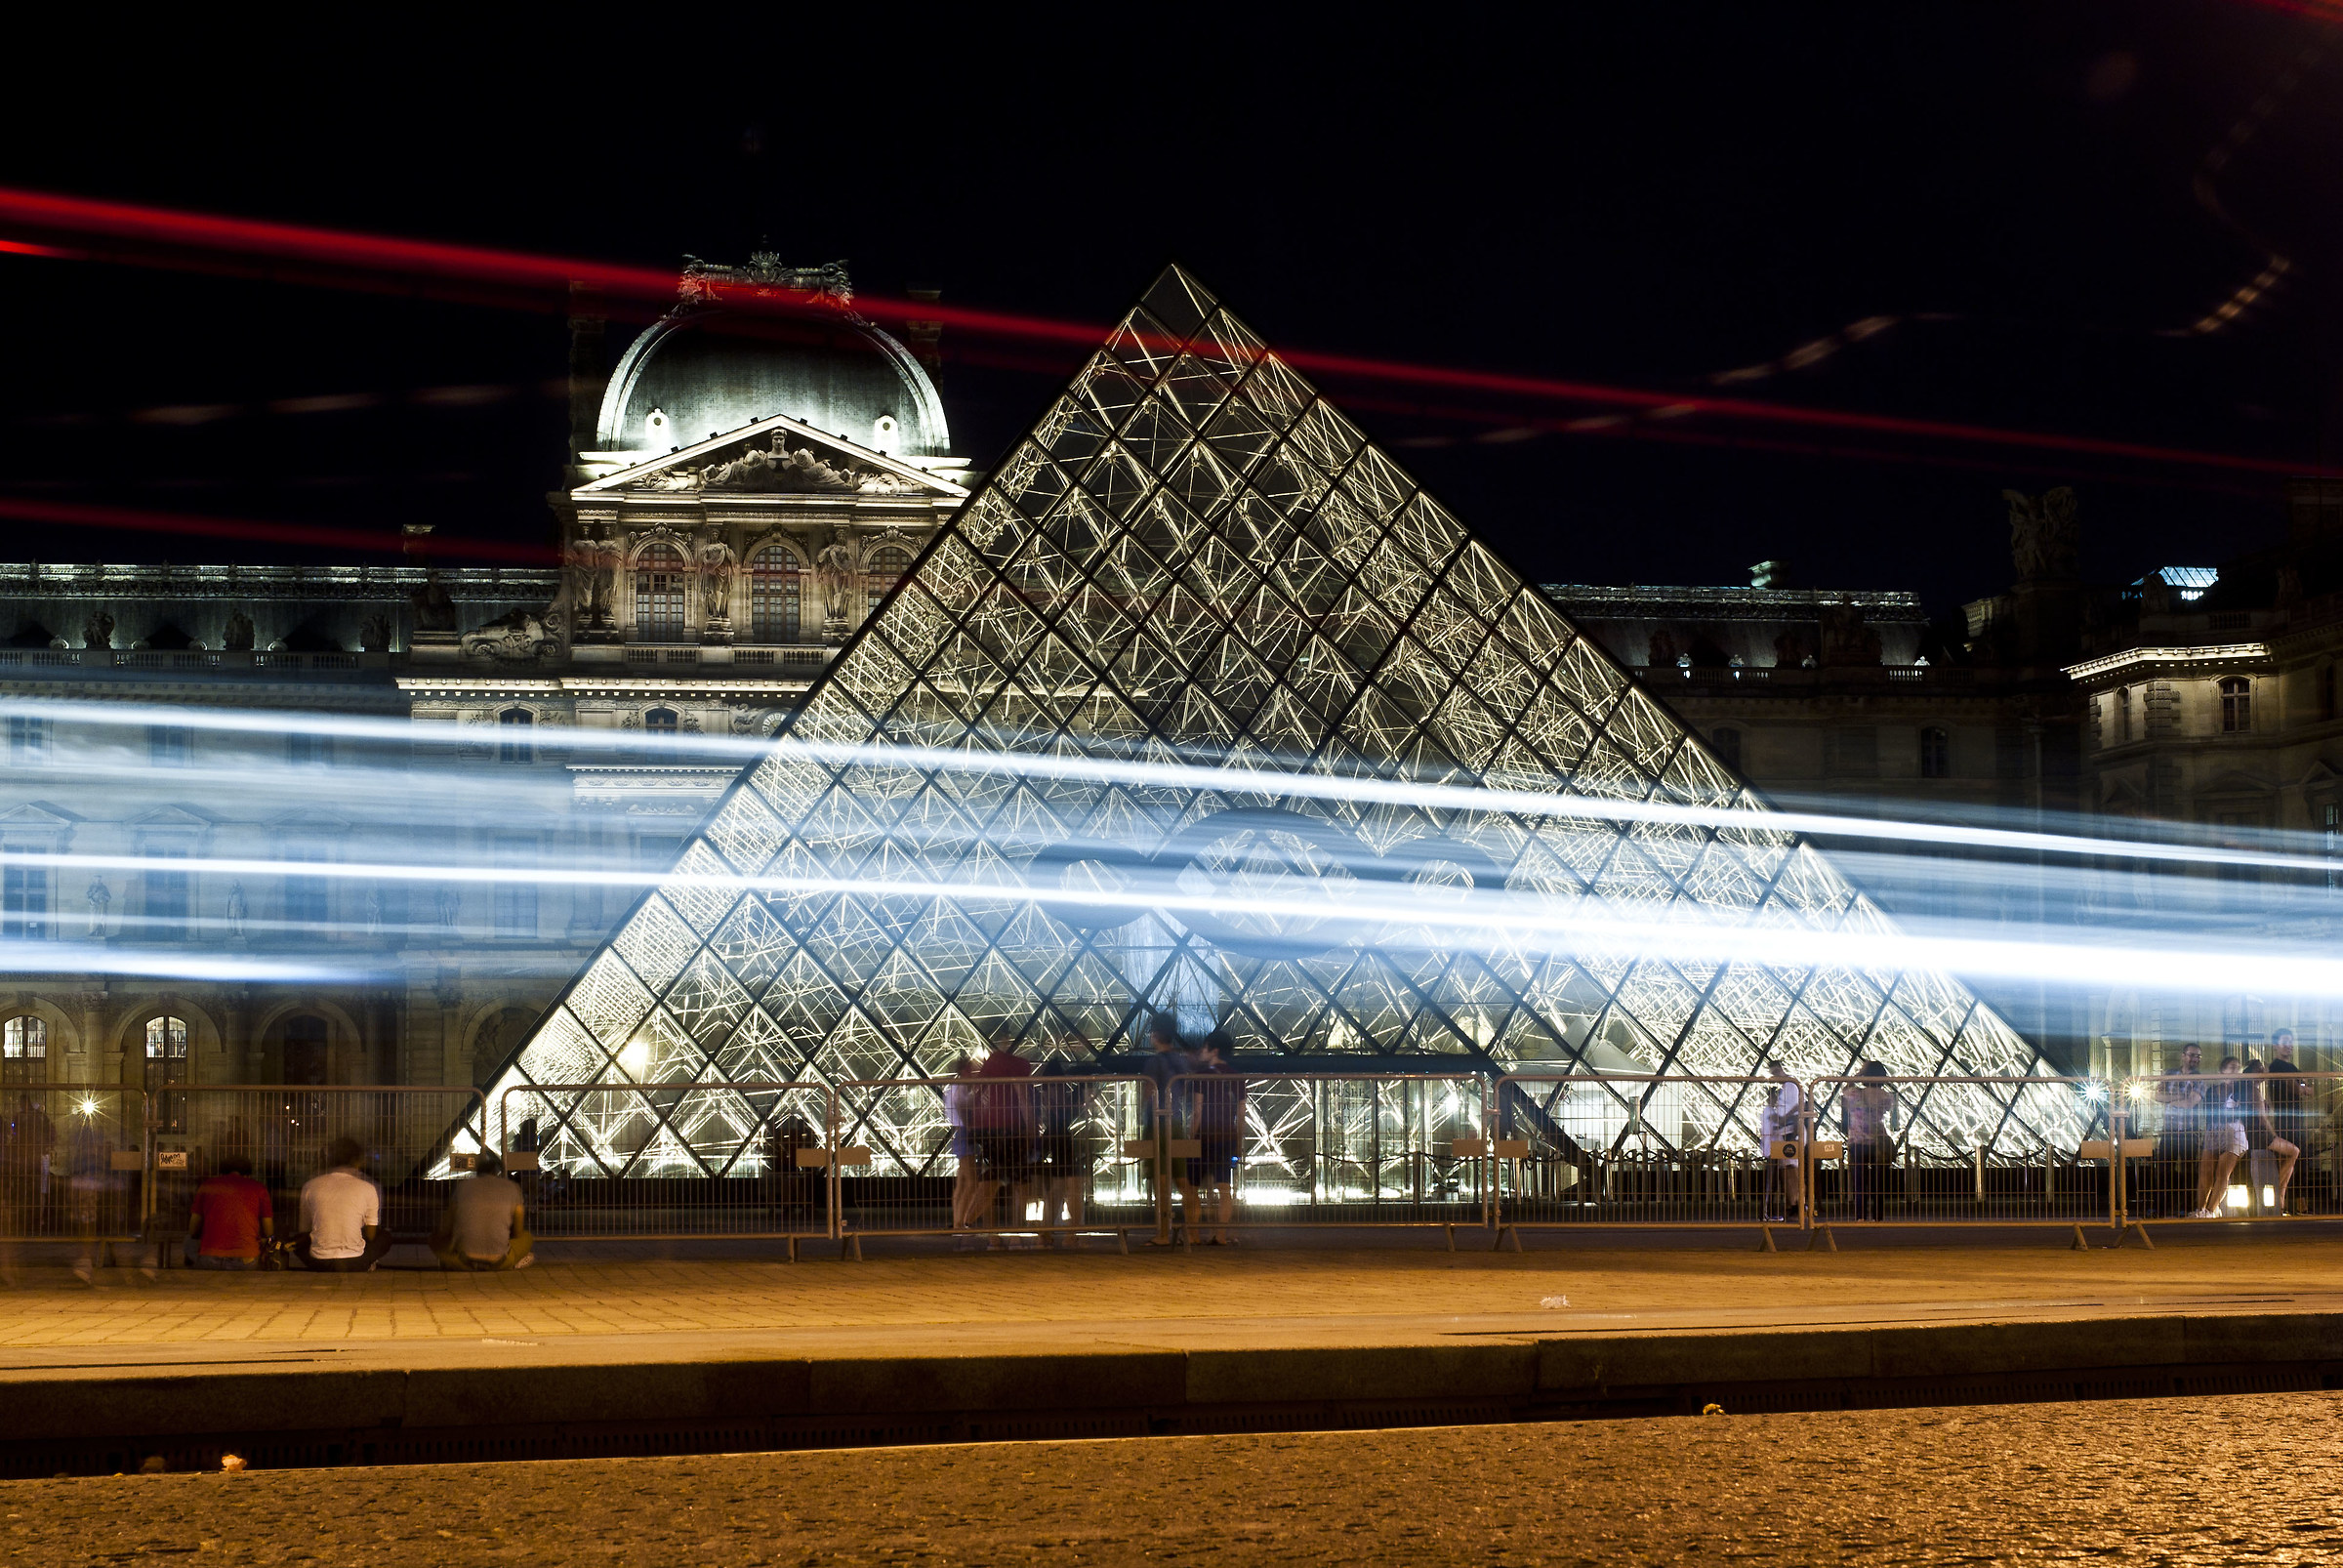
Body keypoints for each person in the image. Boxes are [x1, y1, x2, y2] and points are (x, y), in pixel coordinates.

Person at [971, 1036, 1036, 1246]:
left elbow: (975, 1096)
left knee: (990, 1183)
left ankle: (992, 1236)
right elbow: (1023, 1097)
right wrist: (1032, 1128)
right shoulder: (1019, 1065)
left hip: (990, 1131)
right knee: (1019, 1185)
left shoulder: (991, 1063)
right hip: (1014, 1131)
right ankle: (1016, 1234)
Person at [294, 1136, 390, 1272]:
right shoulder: (368, 1187)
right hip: (355, 1261)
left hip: (319, 1261)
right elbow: (371, 1235)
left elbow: (304, 1229)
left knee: (298, 1241)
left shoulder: (310, 1185)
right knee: (385, 1237)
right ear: (356, 1160)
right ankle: (367, 1263)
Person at [1137, 1015, 1193, 1246]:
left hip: (1157, 1124)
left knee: (1161, 1181)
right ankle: (1192, 1233)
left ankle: (1162, 1233)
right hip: (1177, 1122)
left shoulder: (1154, 1062)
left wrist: (1141, 1115)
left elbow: (1148, 1090)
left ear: (1155, 1035)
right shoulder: (1182, 1061)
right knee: (1183, 1179)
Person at [431, 1151, 533, 1270]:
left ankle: (448, 1260)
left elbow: (445, 1228)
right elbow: (518, 1231)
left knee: (433, 1239)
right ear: (498, 1173)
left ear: (478, 1172)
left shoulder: (463, 1186)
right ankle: (514, 1262)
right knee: (527, 1237)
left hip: (464, 1262)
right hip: (499, 1262)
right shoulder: (512, 1187)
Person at [1190, 1032, 1247, 1246]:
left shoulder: (1202, 1076)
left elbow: (1197, 1110)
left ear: (1214, 1051)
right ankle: (1220, 1235)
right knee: (1224, 1187)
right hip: (1227, 1136)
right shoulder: (1236, 1076)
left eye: (1204, 1048)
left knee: (1192, 1186)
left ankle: (1194, 1234)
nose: (1201, 1052)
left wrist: (1191, 1137)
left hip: (1204, 1136)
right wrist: (1238, 1142)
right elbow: (1241, 1113)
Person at [1031, 1061, 1094, 1250]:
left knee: (1057, 1189)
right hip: (1062, 1138)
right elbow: (1070, 1108)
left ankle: (1046, 1234)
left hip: (1054, 1137)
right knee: (1073, 1186)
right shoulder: (1058, 1094)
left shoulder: (1045, 1093)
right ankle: (1070, 1233)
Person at [185, 1153, 273, 1270]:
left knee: (188, 1240)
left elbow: (193, 1229)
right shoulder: (259, 1188)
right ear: (247, 1174)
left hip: (210, 1256)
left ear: (221, 1172)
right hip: (246, 1258)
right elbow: (268, 1231)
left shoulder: (207, 1186)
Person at [2259, 1030, 2312, 1215]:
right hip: (2285, 1121)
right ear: (2275, 1045)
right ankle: (2281, 1203)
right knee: (2287, 1161)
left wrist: (2302, 1086)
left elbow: (2303, 1085)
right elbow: (2299, 1088)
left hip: (2296, 1119)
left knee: (2301, 1161)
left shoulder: (2292, 1067)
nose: (2289, 1045)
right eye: (2285, 1042)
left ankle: (2296, 1203)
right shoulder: (2276, 1066)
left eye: (2291, 1042)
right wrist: (2302, 1087)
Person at [2154, 1044, 2206, 1219]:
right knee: (2163, 1171)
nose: (2195, 1059)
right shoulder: (2169, 1073)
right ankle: (2162, 1208)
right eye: (2192, 1055)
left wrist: (2170, 1100)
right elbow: (2157, 1096)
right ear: (2183, 1055)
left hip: (2189, 1131)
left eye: (2198, 1056)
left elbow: (2190, 1103)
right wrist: (2180, 1097)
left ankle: (2186, 1207)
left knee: (2189, 1172)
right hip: (2169, 1130)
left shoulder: (2201, 1079)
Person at [2194, 1056, 2249, 1219]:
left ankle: (2211, 1210)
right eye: (2232, 1068)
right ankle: (2201, 1209)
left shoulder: (2241, 1090)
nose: (2236, 1072)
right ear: (2222, 1071)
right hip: (2214, 1131)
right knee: (2205, 1171)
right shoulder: (2213, 1090)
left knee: (2222, 1172)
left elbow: (2238, 1113)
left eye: (2238, 1068)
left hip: (2234, 1132)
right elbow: (2210, 1113)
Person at [1840, 1060, 1896, 1222]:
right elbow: (1887, 1109)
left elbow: (1845, 1090)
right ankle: (1878, 1215)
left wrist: (1858, 1074)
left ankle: (1860, 1216)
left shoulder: (1856, 1094)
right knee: (1878, 1183)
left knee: (1859, 1181)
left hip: (1858, 1141)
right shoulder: (1887, 1096)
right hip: (1878, 1142)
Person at [943, 1053, 988, 1247]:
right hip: (965, 1134)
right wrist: (970, 1123)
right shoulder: (961, 1088)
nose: (974, 1072)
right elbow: (962, 1106)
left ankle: (957, 1223)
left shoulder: (952, 1088)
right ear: (964, 1071)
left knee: (962, 1183)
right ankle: (961, 1224)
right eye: (971, 1069)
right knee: (971, 1182)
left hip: (958, 1134)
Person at [1757, 1064, 1803, 1223]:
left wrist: (1783, 1119)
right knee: (1787, 1169)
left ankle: (1796, 1205)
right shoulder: (1786, 1087)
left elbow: (1798, 1106)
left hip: (1790, 1131)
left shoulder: (1790, 1085)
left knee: (1791, 1169)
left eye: (1774, 1072)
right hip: (1785, 1133)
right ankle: (1793, 1205)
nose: (1774, 1077)